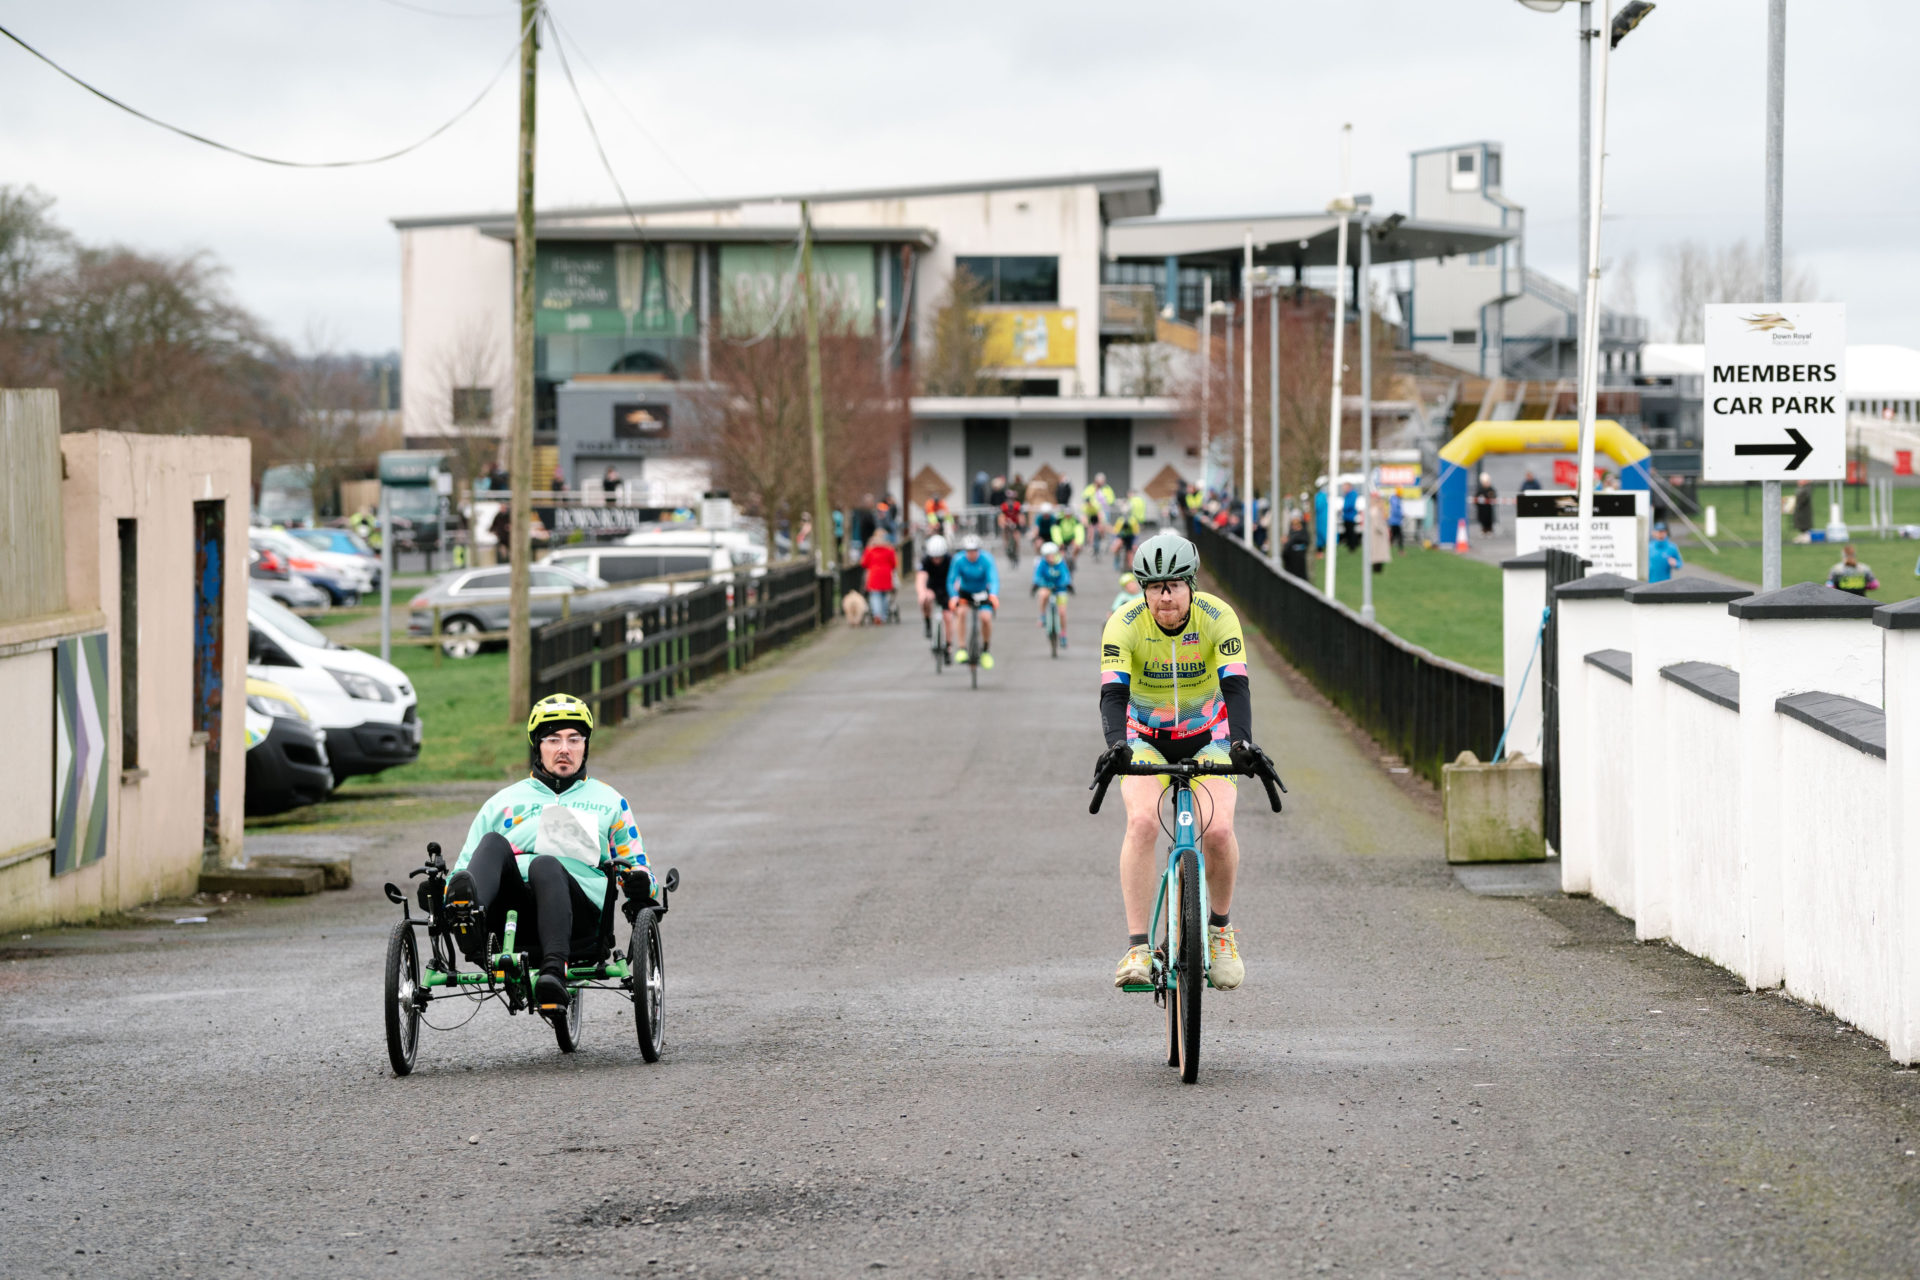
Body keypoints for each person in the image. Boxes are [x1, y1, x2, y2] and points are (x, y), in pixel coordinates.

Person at [1098, 532, 1266, 992]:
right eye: (1154, 587)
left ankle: (1219, 932)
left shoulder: (1218, 617)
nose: (1165, 597)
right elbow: (1112, 694)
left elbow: (1236, 686)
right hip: (1144, 741)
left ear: (1191, 585)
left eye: (1173, 585)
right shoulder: (1123, 623)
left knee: (1219, 831)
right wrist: (1116, 745)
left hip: (1209, 737)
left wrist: (1242, 743)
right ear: (1143, 588)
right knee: (1141, 823)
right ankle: (1137, 947)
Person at [442, 695, 653, 1012]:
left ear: (585, 745)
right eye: (553, 740)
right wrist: (444, 894)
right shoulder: (501, 803)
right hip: (512, 913)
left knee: (545, 865)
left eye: (574, 739)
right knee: (493, 843)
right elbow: (465, 867)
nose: (564, 749)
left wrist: (641, 883)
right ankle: (468, 922)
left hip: (578, 915)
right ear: (538, 747)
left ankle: (554, 972)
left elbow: (639, 867)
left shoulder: (610, 801)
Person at [946, 534, 1000, 668]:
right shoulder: (958, 560)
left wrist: (993, 595)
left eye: (975, 550)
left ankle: (986, 650)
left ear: (978, 550)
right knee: (961, 613)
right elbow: (951, 580)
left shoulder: (986, 559)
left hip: (982, 592)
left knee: (986, 618)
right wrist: (953, 596)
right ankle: (962, 648)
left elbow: (993, 579)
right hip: (966, 593)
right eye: (969, 551)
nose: (972, 554)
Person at [1031, 540, 1074, 647]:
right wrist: (1038, 583)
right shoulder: (1042, 563)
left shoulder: (1060, 563)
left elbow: (1066, 576)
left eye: (1051, 555)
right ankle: (1042, 615)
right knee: (1042, 594)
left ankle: (1063, 634)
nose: (1049, 557)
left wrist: (1066, 584)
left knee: (1062, 612)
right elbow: (1037, 576)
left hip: (1060, 588)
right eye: (1047, 555)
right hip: (1047, 586)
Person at [916, 533, 954, 651]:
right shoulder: (926, 560)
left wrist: (955, 595)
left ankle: (948, 645)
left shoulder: (950, 560)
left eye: (939, 557)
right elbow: (921, 578)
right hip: (931, 587)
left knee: (948, 617)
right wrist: (922, 592)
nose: (936, 560)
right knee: (925, 600)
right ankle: (927, 622)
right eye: (934, 557)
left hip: (946, 588)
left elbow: (956, 579)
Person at [860, 531, 898, 623]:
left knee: (875, 596)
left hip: (874, 575)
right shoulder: (890, 550)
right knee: (884, 596)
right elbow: (894, 564)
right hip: (886, 575)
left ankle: (877, 614)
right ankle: (884, 616)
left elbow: (864, 563)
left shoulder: (870, 550)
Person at [1281, 514, 1311, 580]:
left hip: (1299, 564)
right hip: (1291, 566)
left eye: (1297, 524)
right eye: (1293, 524)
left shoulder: (1302, 534)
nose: (1295, 526)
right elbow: (1285, 553)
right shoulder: (1291, 533)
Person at [1474, 472, 1497, 536]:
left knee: (1489, 519)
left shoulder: (1491, 489)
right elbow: (1476, 498)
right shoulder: (1480, 490)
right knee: (1482, 519)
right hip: (1482, 508)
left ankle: (1489, 529)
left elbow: (1494, 497)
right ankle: (1484, 529)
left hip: (1488, 508)